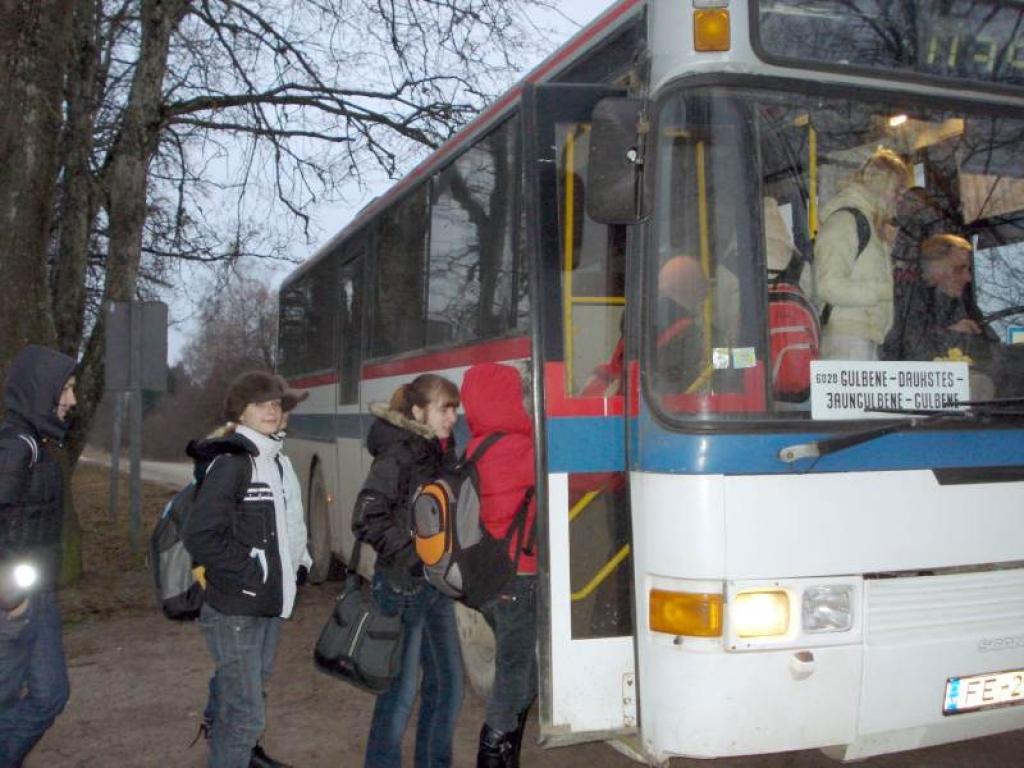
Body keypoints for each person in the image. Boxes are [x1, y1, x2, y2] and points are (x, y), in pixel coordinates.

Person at [183, 371, 303, 768]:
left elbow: (280, 534)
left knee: (244, 705)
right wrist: (252, 572)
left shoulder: (271, 460)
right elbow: (201, 535)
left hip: (264, 605)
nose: (272, 410)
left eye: (276, 404)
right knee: (245, 717)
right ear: (241, 412)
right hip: (236, 610)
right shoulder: (234, 462)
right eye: (261, 404)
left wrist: (292, 570)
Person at [353, 374, 463, 768]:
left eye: (455, 408)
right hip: (403, 587)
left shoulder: (437, 453)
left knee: (448, 687)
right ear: (418, 411)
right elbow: (366, 517)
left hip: (435, 588)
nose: (452, 416)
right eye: (443, 408)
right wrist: (416, 556)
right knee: (399, 696)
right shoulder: (398, 454)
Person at [0, 345, 76, 768]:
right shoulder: (15, 447)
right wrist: (10, 593)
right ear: (39, 391)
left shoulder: (36, 444)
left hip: (37, 595)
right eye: (65, 389)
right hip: (14, 602)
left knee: (51, 694)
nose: (72, 400)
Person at [460, 363, 537, 768]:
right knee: (514, 675)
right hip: (519, 579)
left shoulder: (476, 446)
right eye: (520, 391)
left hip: (491, 580)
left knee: (523, 672)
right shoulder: (520, 449)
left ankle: (506, 754)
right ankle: (492, 755)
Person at [815, 147, 911, 360]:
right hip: (848, 338)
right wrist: (884, 291)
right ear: (880, 182)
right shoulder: (845, 221)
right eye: (898, 189)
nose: (901, 197)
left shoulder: (870, 225)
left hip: (864, 335)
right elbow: (828, 285)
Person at [881, 234, 998, 397]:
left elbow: (993, 352)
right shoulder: (905, 302)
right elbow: (906, 355)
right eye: (959, 269)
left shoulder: (967, 306)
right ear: (933, 270)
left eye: (968, 269)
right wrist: (953, 334)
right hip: (916, 406)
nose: (968, 278)